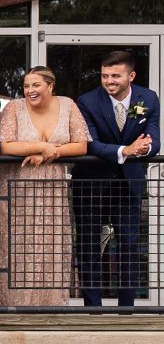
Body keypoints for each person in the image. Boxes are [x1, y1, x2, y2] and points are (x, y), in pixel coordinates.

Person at [0, 66, 91, 308]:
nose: (29, 91)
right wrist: (40, 147)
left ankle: (49, 306)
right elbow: (4, 145)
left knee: (49, 242)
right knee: (16, 243)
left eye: (35, 85)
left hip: (51, 184)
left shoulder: (67, 105)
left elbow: (81, 146)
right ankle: (11, 305)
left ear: (50, 86)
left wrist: (51, 152)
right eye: (26, 86)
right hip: (14, 184)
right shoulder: (13, 108)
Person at [72, 50, 160, 310]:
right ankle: (93, 308)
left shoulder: (149, 98)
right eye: (104, 75)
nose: (109, 81)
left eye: (115, 76)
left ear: (131, 76)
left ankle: (126, 308)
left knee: (128, 247)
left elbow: (153, 135)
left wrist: (145, 148)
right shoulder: (86, 101)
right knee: (89, 245)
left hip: (128, 184)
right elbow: (91, 143)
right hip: (91, 184)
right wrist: (126, 151)